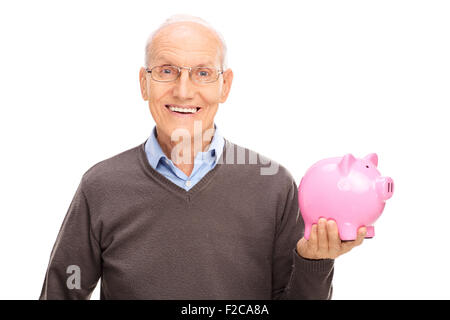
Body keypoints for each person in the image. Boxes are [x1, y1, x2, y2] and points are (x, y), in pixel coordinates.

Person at [39, 14, 366, 300]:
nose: (183, 91)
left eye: (203, 73)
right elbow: (62, 292)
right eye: (167, 71)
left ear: (225, 85)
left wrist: (315, 261)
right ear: (144, 83)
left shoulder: (274, 185)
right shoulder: (102, 186)